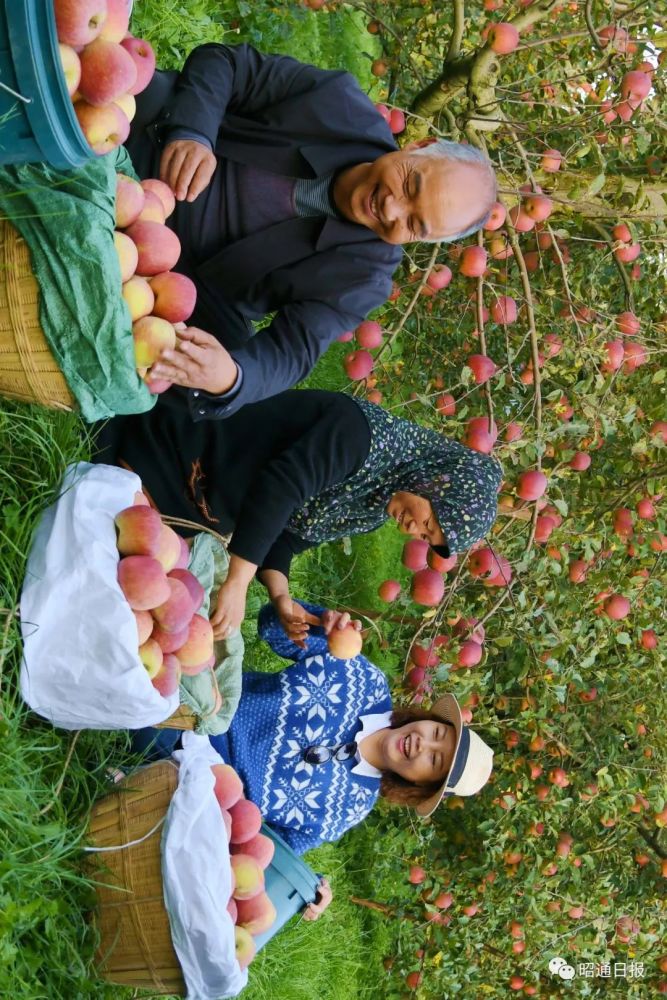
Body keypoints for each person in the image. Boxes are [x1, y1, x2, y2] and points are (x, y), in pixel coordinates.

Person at [124, 43, 498, 418]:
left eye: (414, 224)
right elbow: (226, 63)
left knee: (221, 374)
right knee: (138, 88)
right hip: (153, 150)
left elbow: (293, 350)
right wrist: (194, 133)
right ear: (420, 145)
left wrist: (230, 377)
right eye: (411, 184)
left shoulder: (365, 277)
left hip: (179, 279)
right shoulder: (339, 103)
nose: (391, 207)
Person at [131, 600, 495, 920]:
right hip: (203, 702)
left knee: (144, 735)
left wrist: (311, 887)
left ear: (418, 786)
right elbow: (271, 623)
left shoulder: (350, 808)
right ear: (428, 720)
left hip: (201, 786)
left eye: (434, 761)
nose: (422, 745)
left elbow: (276, 847)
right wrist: (323, 622)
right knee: (146, 700)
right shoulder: (363, 680)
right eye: (436, 735)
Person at [94, 388, 502, 638]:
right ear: (435, 481)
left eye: (424, 538)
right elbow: (280, 487)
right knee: (112, 543)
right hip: (183, 455)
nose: (413, 530)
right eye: (428, 522)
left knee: (141, 589)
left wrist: (282, 595)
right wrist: (238, 581)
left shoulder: (375, 509)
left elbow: (286, 538)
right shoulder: (359, 436)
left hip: (189, 512)